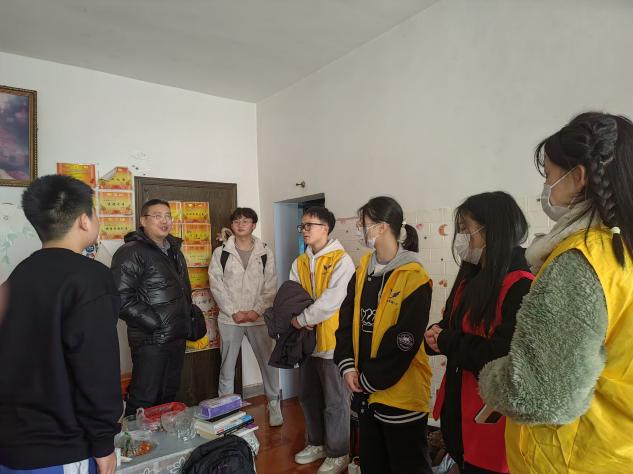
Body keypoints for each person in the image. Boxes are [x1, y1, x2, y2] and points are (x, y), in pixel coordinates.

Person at [479, 112, 633, 472]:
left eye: (549, 176)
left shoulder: (582, 260)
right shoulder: (622, 250)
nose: (546, 189)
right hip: (616, 448)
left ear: (578, 177)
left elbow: (540, 394)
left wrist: (493, 377)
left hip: (571, 456)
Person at [0, 175, 121, 474]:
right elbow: (96, 368)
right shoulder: (90, 278)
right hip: (60, 447)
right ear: (84, 220)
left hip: (11, 444)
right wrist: (103, 442)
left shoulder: (18, 275)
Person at [424, 192, 533, 473]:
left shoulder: (521, 284)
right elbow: (451, 325)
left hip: (492, 422)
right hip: (459, 413)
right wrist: (435, 335)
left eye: (466, 228)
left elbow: (503, 356)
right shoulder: (472, 277)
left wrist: (447, 340)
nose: (461, 237)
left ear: (491, 231)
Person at [335, 196, 433, 474]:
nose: (358, 229)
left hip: (401, 395)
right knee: (373, 464)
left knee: (408, 466)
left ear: (381, 227)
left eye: (362, 223)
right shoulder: (364, 268)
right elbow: (346, 320)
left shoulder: (414, 276)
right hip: (365, 393)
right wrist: (348, 367)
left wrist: (368, 379)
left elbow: (405, 342)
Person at [112, 199, 198, 416]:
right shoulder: (131, 251)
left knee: (168, 395)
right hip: (151, 340)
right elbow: (120, 297)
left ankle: (162, 438)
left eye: (168, 216)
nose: (164, 221)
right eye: (158, 216)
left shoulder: (174, 250)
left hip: (176, 337)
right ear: (143, 220)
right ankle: (134, 438)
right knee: (144, 398)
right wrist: (155, 323)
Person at [290, 206, 355, 474]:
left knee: (336, 401)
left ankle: (339, 452)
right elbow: (292, 294)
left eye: (309, 225)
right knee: (308, 396)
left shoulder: (342, 260)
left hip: (333, 343)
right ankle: (316, 443)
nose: (304, 230)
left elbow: (332, 300)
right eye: (302, 226)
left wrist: (303, 318)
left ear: (325, 228)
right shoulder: (300, 262)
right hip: (306, 343)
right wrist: (300, 318)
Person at [208, 207, 282, 426]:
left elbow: (271, 286)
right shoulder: (221, 253)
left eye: (246, 221)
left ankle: (273, 403)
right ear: (232, 225)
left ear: (253, 225)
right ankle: (226, 410)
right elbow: (216, 285)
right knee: (227, 366)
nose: (241, 225)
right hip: (230, 319)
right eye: (236, 221)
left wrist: (256, 311)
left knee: (269, 364)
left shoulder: (265, 252)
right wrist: (233, 311)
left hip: (259, 318)